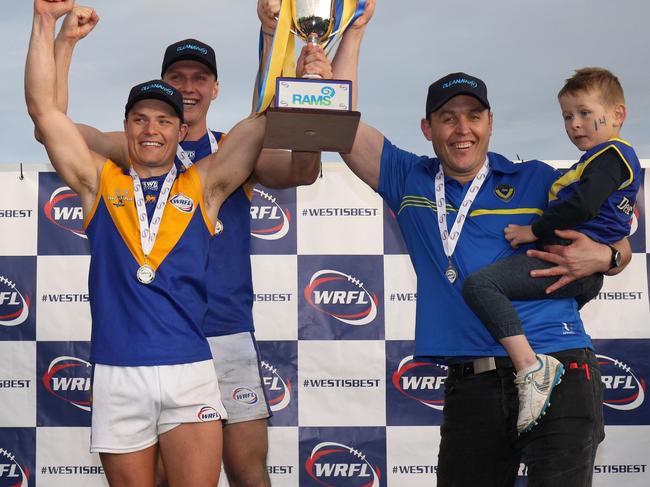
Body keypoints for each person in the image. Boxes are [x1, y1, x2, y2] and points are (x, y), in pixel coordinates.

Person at [330, 9, 632, 486]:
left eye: (473, 115)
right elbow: (339, 122)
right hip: (472, 384)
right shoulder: (407, 178)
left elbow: (618, 243)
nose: (462, 129)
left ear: (490, 122)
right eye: (447, 118)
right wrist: (354, 34)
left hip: (560, 365)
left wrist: (609, 257)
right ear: (427, 129)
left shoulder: (536, 178)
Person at [50, 2, 331, 486]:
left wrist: (281, 50)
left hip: (223, 331)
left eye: (199, 77)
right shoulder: (133, 143)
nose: (188, 85)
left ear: (215, 88)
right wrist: (62, 44)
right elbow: (52, 126)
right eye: (176, 76)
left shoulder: (233, 154)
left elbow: (302, 169)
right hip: (153, 342)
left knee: (248, 473)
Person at [461, 67, 641, 434]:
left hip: (570, 263)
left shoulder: (611, 156)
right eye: (567, 116)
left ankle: (532, 368)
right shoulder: (596, 160)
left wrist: (534, 230)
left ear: (618, 115)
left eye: (585, 114)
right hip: (581, 277)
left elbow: (584, 206)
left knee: (480, 286)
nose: (574, 124)